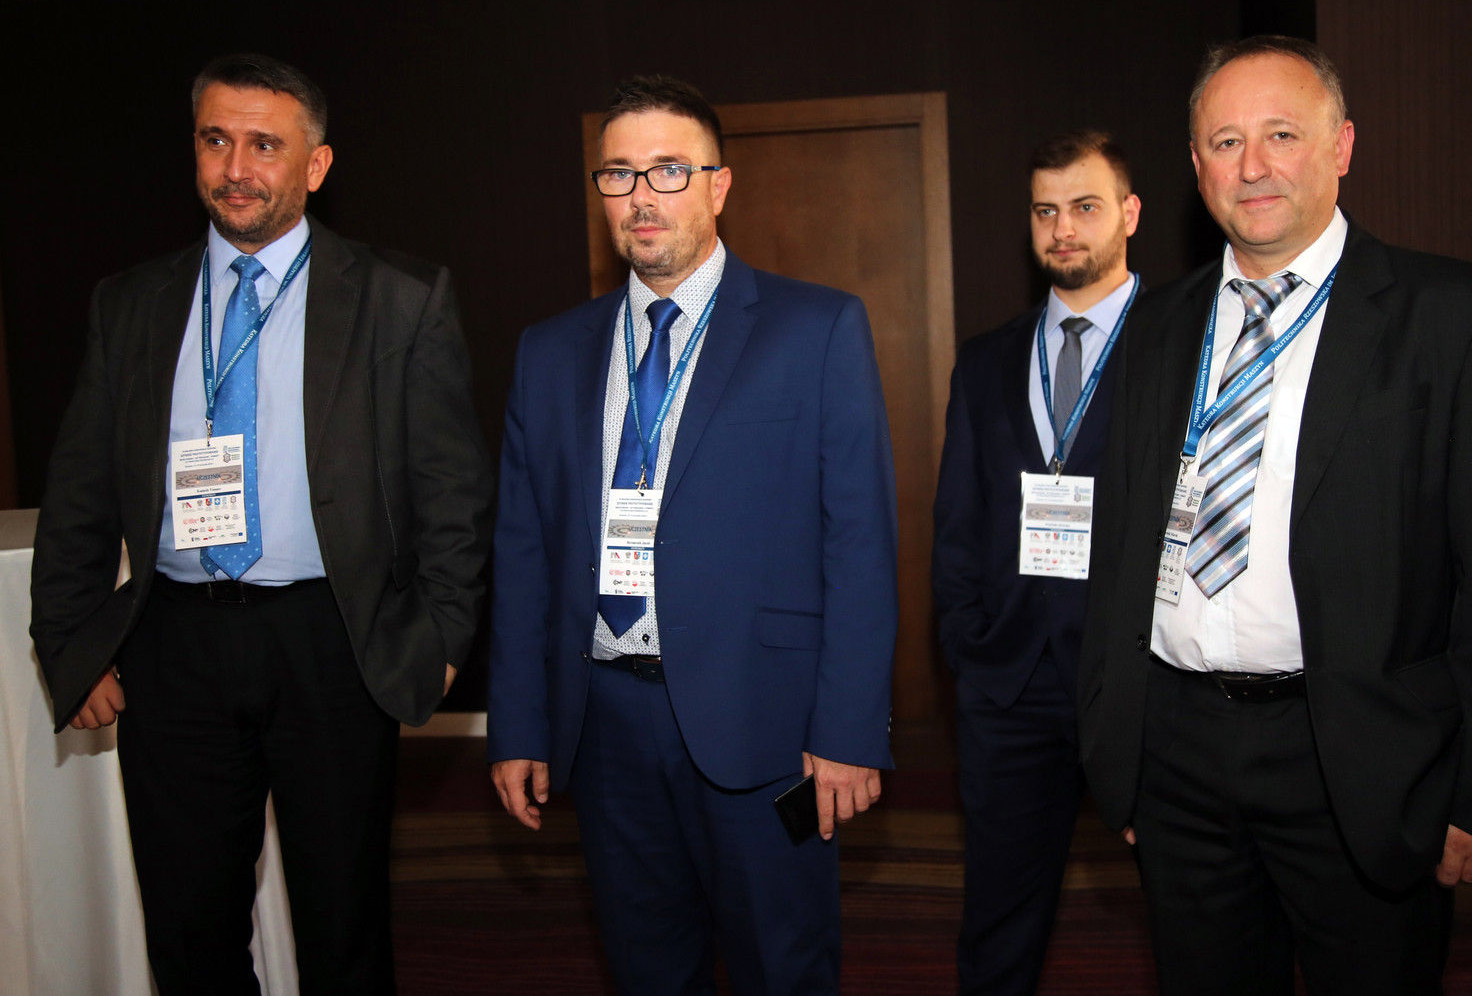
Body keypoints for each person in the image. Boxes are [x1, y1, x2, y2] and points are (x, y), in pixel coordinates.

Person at [1079, 35, 1472, 993]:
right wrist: (1117, 753)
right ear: (1196, 166)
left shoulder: (1456, 314)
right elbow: (1120, 551)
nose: (1252, 165)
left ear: (1341, 146)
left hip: (1362, 758)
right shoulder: (1156, 327)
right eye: (1226, 142)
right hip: (1177, 753)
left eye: (1281, 134)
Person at [30, 53, 494, 995]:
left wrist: (443, 641)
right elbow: (78, 489)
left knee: (342, 930)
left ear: (314, 165)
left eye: (264, 145)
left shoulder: (402, 299)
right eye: (216, 140)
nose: (236, 167)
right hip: (173, 648)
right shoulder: (131, 303)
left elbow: (454, 494)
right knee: (189, 932)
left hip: (334, 644)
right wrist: (70, 641)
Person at [487, 75, 898, 995]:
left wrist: (849, 728)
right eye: (619, 174)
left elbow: (860, 543)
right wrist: (517, 722)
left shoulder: (817, 328)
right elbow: (522, 553)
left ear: (718, 185)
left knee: (782, 969)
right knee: (646, 971)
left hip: (767, 727)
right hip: (604, 728)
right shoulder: (549, 352)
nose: (643, 196)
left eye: (669, 170)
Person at [932, 131, 1142, 994]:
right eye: (1045, 210)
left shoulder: (1182, 345)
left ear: (1129, 214)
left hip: (1141, 685)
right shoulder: (986, 360)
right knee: (999, 925)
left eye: (1085, 207)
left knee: (1196, 915)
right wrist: (967, 645)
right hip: (1009, 686)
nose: (1063, 229)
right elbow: (958, 523)